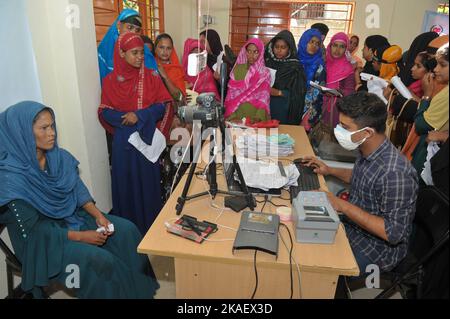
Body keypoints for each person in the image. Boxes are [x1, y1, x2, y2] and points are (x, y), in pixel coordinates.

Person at [0, 101, 159, 298]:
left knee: (127, 231)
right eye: (44, 128)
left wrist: (99, 216)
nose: (52, 133)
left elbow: (77, 189)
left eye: (52, 126)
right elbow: (36, 232)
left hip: (69, 218)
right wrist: (83, 237)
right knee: (99, 260)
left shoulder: (58, 157)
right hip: (41, 243)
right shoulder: (10, 178)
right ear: (22, 132)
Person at [302, 92, 418, 276]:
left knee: (312, 267)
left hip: (374, 250)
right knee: (300, 236)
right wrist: (329, 170)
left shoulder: (395, 173)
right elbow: (362, 178)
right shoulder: (368, 149)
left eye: (345, 127)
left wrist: (340, 205)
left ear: (367, 132)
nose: (338, 130)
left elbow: (393, 233)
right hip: (352, 227)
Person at [98, 33, 173, 235]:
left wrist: (139, 115)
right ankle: (128, 233)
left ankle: (151, 231)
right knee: (126, 186)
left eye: (142, 52)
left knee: (148, 187)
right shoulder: (110, 81)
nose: (140, 57)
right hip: (124, 144)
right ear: (121, 53)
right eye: (135, 53)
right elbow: (104, 111)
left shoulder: (152, 77)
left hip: (145, 141)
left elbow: (162, 107)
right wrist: (124, 118)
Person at [411, 43, 449, 174]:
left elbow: (421, 125)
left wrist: (426, 96)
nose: (436, 69)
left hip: (432, 157)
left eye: (442, 65)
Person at [97, 9, 157, 84]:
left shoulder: (144, 51)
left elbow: (152, 81)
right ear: (119, 25)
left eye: (137, 30)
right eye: (129, 27)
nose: (133, 33)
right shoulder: (104, 51)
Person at [224, 38, 271, 123]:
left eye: (255, 52)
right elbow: (230, 96)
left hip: (255, 118)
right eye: (249, 51)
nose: (251, 55)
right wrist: (233, 117)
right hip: (236, 116)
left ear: (261, 53)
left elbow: (264, 98)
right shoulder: (237, 69)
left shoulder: (264, 73)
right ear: (245, 52)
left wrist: (257, 118)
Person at [264, 30, 306, 125]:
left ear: (289, 48)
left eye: (283, 47)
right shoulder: (266, 62)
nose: (279, 50)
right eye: (276, 47)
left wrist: (279, 92)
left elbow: (298, 95)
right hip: (265, 107)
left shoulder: (295, 67)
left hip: (284, 109)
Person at [321, 32, 355, 129]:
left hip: (336, 109)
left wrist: (338, 92)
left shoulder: (348, 68)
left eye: (342, 46)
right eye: (335, 45)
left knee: (330, 139)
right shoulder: (323, 63)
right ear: (330, 46)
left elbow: (351, 91)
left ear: (346, 49)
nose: (337, 50)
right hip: (318, 104)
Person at [297, 28, 327, 131]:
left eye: (317, 43)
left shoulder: (319, 66)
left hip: (308, 112)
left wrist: (309, 114)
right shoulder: (294, 61)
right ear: (304, 41)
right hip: (291, 107)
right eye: (311, 42)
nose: (314, 46)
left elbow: (318, 92)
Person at [154, 33, 186, 103]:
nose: (165, 51)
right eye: (161, 47)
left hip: (171, 108)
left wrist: (165, 77)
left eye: (168, 48)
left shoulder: (176, 69)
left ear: (172, 50)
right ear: (155, 48)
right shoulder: (150, 66)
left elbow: (180, 97)